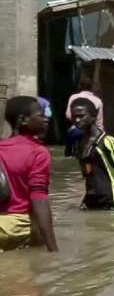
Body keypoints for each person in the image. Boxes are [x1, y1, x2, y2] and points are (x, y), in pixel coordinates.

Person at [0, 96, 58, 252]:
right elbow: (39, 199)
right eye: (40, 115)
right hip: (17, 228)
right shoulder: (38, 152)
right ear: (22, 120)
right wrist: (53, 250)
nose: (45, 119)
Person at [70, 98, 114, 212]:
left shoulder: (107, 141)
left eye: (81, 116)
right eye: (74, 117)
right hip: (91, 202)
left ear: (93, 116)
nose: (77, 120)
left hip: (112, 203)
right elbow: (87, 174)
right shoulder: (79, 143)